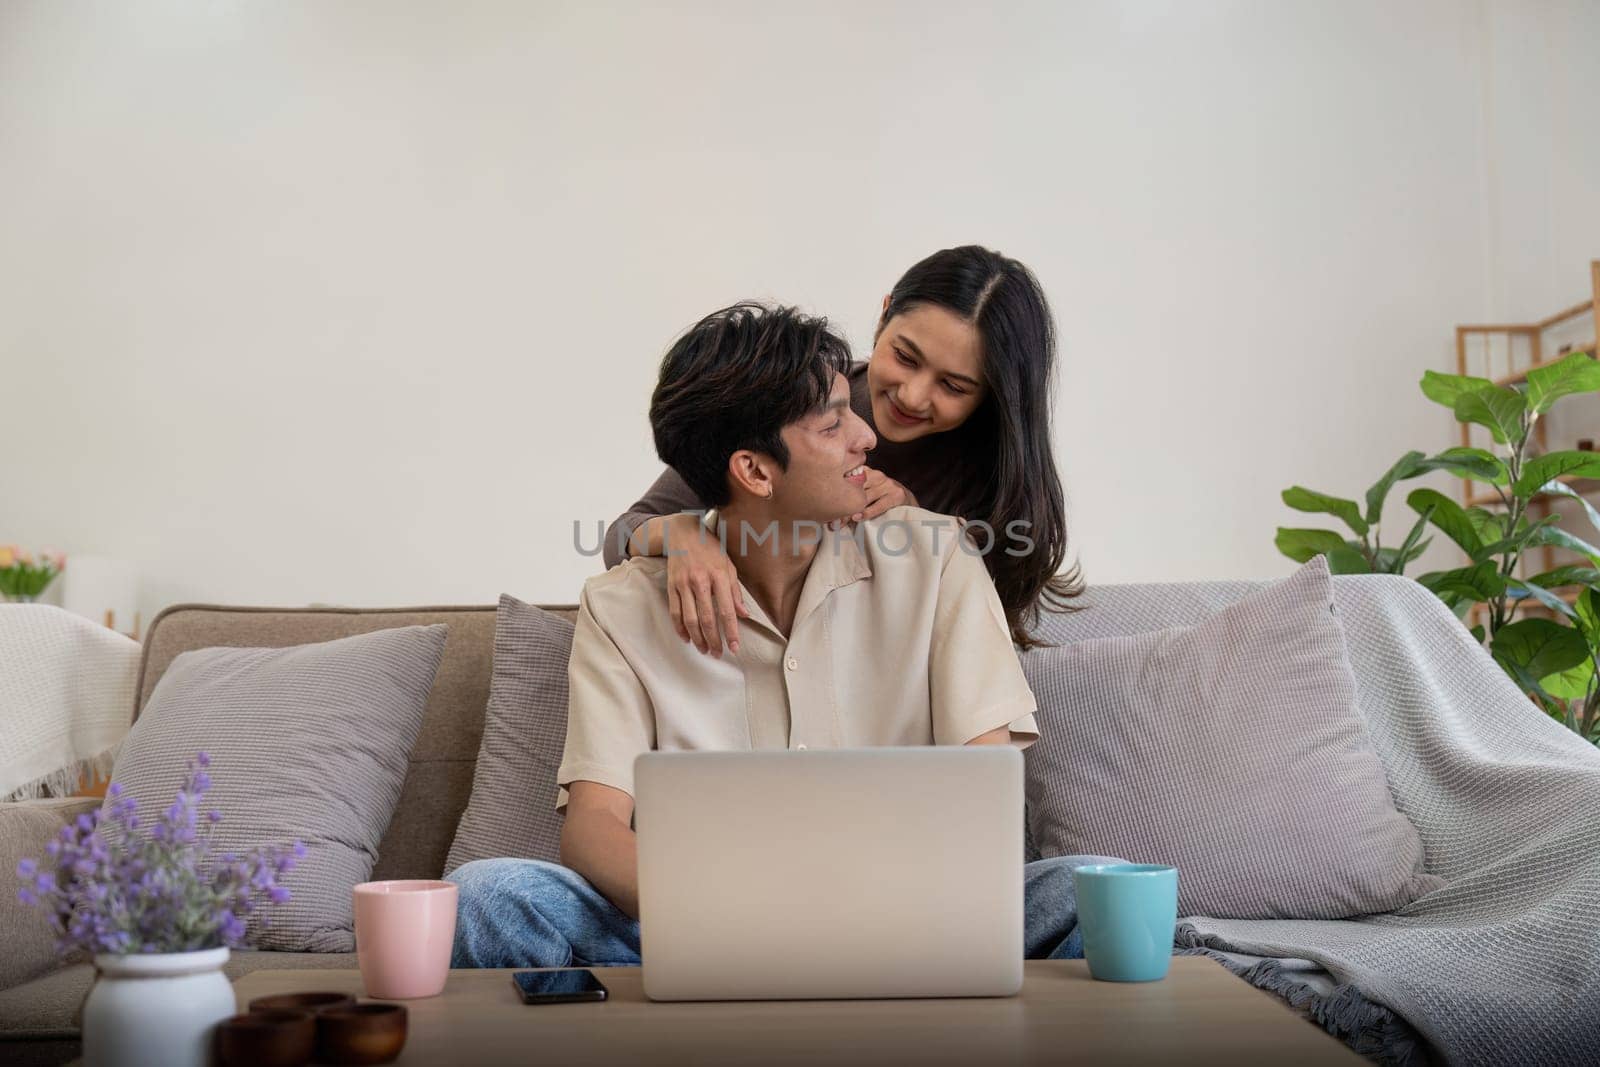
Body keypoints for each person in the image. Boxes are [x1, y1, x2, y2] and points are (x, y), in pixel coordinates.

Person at [449, 303, 1122, 969]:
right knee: (486, 896)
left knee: (1103, 887)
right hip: (702, 925)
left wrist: (881, 908)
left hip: (910, 921)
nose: (867, 436)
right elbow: (593, 828)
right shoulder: (622, 606)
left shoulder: (939, 558)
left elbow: (986, 792)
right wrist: (728, 915)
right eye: (835, 423)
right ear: (755, 471)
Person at [603, 245, 1082, 656]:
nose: (913, 396)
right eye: (905, 357)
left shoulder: (995, 472)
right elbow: (622, 534)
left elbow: (976, 641)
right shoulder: (797, 403)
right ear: (883, 316)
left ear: (992, 396)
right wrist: (684, 535)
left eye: (953, 386)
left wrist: (921, 527)